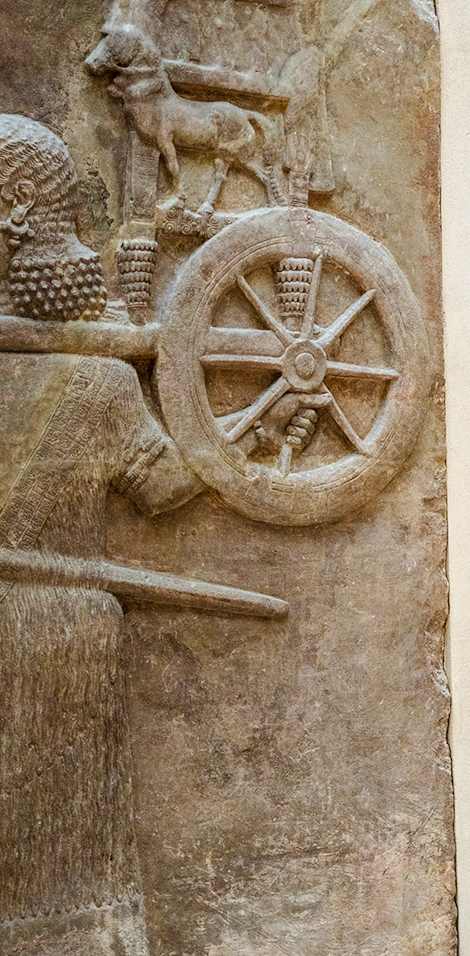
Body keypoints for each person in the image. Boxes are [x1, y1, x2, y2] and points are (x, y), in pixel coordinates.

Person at [0, 113, 204, 955]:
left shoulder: (91, 371)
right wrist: (261, 429)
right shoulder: (100, 380)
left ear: (13, 207)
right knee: (74, 862)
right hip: (65, 632)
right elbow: (165, 489)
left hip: (48, 625)